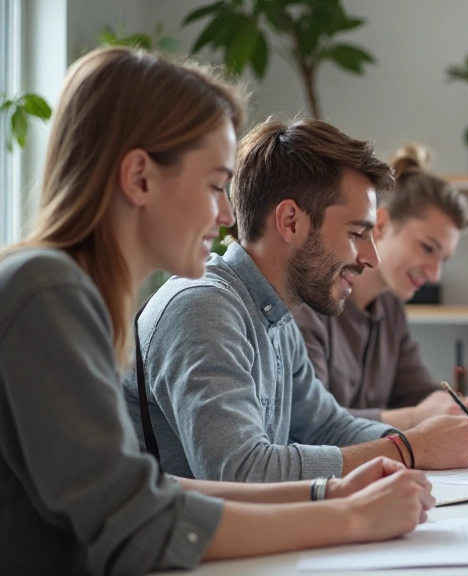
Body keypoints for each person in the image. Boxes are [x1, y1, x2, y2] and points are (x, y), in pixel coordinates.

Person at [0, 47, 434, 574]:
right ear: (139, 178)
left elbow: (154, 490)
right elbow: (139, 522)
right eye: (213, 186)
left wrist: (328, 492)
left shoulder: (70, 294)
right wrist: (350, 517)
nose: (228, 213)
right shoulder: (49, 293)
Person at [121, 117, 468, 483]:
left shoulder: (275, 316)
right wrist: (409, 448)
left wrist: (425, 440)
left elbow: (327, 426)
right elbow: (242, 472)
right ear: (290, 222)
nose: (371, 258)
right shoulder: (203, 308)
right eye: (356, 233)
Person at [293, 143, 468, 430]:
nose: (435, 274)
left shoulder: (390, 308)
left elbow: (414, 390)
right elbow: (309, 421)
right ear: (382, 224)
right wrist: (416, 418)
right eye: (428, 248)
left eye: (444, 260)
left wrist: (450, 404)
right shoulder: (309, 303)